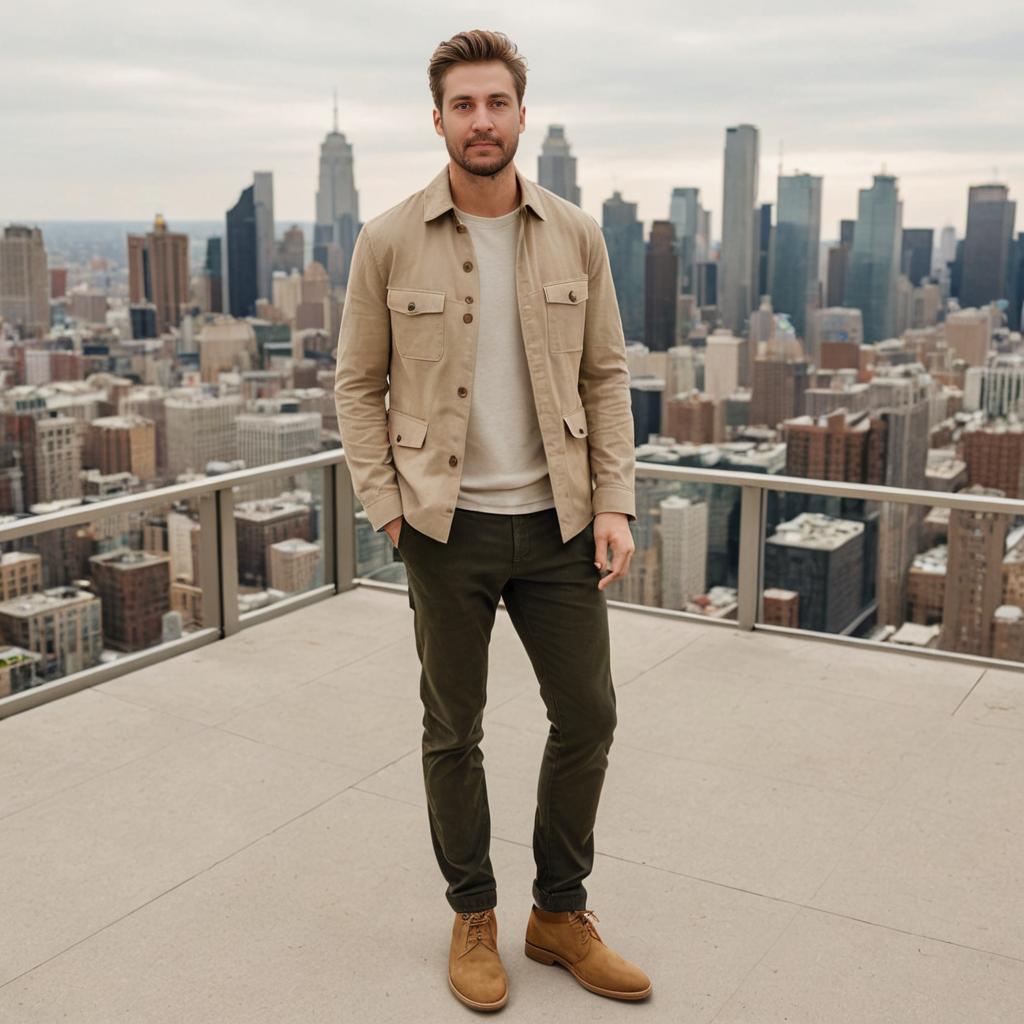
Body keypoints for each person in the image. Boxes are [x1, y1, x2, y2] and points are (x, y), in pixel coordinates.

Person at [334, 27, 651, 1011]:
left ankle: (558, 913)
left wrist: (612, 500)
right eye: (462, 106)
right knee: (451, 728)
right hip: (446, 529)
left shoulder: (576, 233)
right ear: (438, 121)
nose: (481, 120)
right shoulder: (387, 239)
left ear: (522, 114)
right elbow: (357, 385)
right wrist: (389, 511)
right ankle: (472, 912)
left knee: (588, 715)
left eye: (496, 103)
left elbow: (605, 375)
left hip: (558, 524)